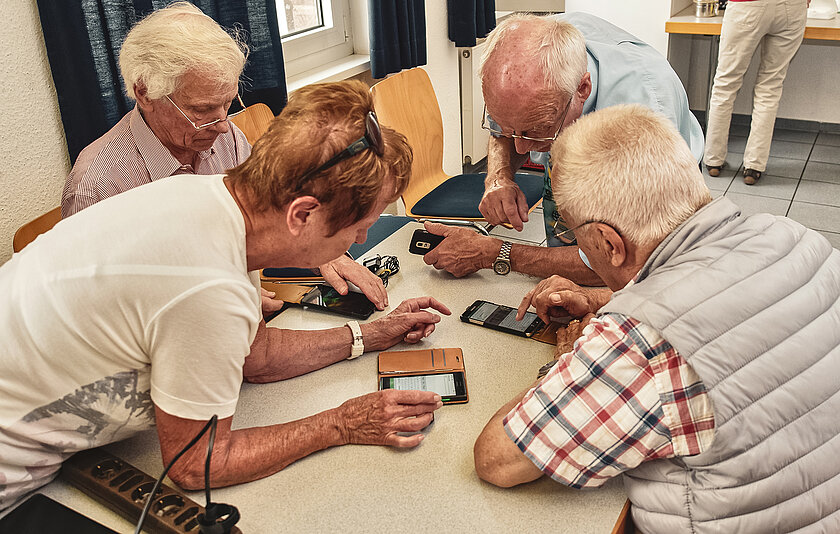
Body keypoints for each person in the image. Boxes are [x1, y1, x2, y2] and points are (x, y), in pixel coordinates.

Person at [0, 81, 450, 511]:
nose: (361, 239)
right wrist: (341, 422)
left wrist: (372, 336)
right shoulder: (208, 283)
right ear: (303, 215)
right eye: (358, 227)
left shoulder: (217, 201)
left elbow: (258, 357)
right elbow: (195, 464)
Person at [473, 105, 839, 533]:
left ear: (610, 243)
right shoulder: (800, 240)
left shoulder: (641, 343)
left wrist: (575, 358)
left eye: (575, 234)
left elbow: (498, 459)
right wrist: (603, 298)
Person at [60, 2, 386, 312]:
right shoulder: (98, 185)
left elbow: (267, 219)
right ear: (144, 92)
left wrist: (323, 255)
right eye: (201, 110)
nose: (222, 124)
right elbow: (103, 310)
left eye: (227, 102)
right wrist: (217, 297)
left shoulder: (226, 137)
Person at [421, 12, 703, 288]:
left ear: (582, 88)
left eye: (537, 129)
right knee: (563, 290)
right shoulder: (534, 56)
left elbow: (627, 263)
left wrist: (495, 253)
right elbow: (504, 128)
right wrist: (500, 177)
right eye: (514, 130)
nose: (522, 148)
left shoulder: (646, 116)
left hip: (650, 181)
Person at [704, 0, 808, 185]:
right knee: (770, 86)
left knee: (726, 84)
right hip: (793, 7)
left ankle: (713, 160)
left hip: (748, 5)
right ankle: (754, 166)